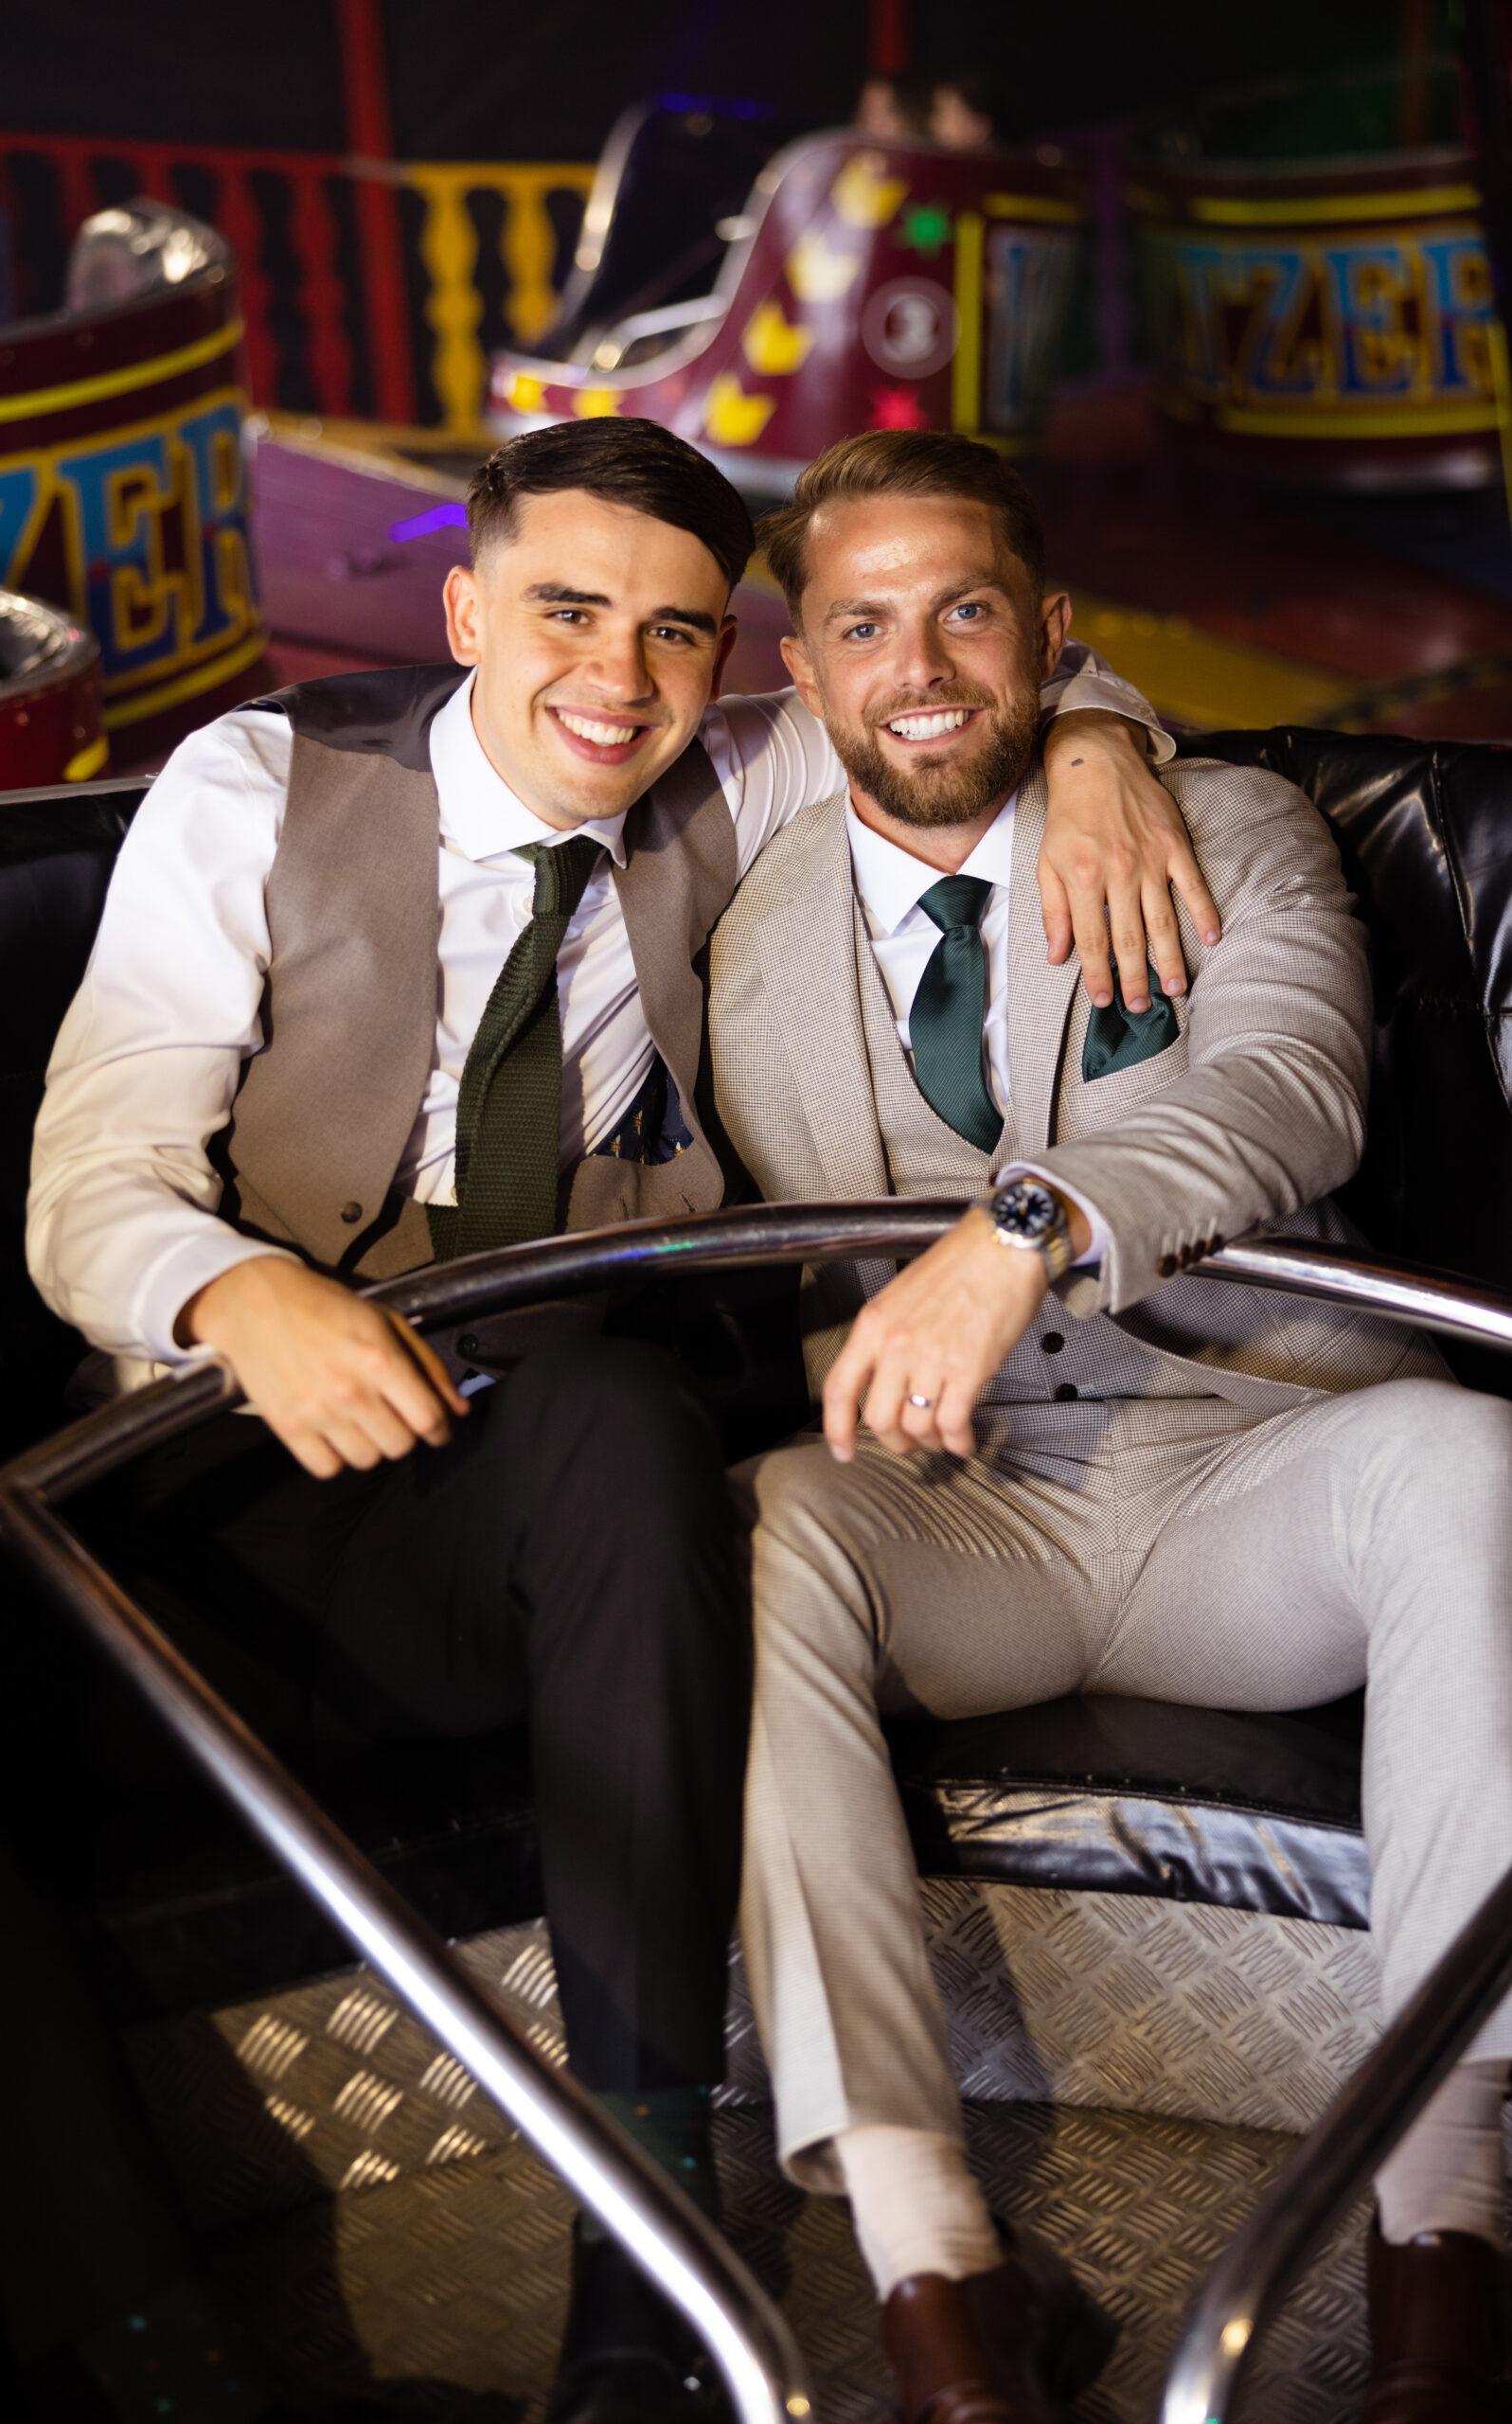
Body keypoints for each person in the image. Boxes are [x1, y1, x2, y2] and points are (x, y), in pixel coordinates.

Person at [27, 415, 1199, 2423]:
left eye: (675, 632)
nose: (619, 678)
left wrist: (1095, 743)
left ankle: (650, 2251)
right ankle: (150, 2362)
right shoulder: (258, 783)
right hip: (225, 1488)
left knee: (616, 1412)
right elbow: (90, 1175)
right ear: (464, 609)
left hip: (522, 1497)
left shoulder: (733, 773)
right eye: (567, 612)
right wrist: (236, 1290)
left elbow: (966, 690)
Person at [708, 428, 1512, 2424]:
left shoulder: (1224, 820)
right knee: (755, 1527)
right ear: (798, 671)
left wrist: (1024, 1227)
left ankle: (1444, 2233)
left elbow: (1289, 1089)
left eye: (966, 613)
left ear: (1052, 633)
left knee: (1470, 1464)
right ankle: (934, 2279)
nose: (917, 668)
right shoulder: (745, 919)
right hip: (968, 1511)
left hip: (1248, 1466)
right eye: (862, 627)